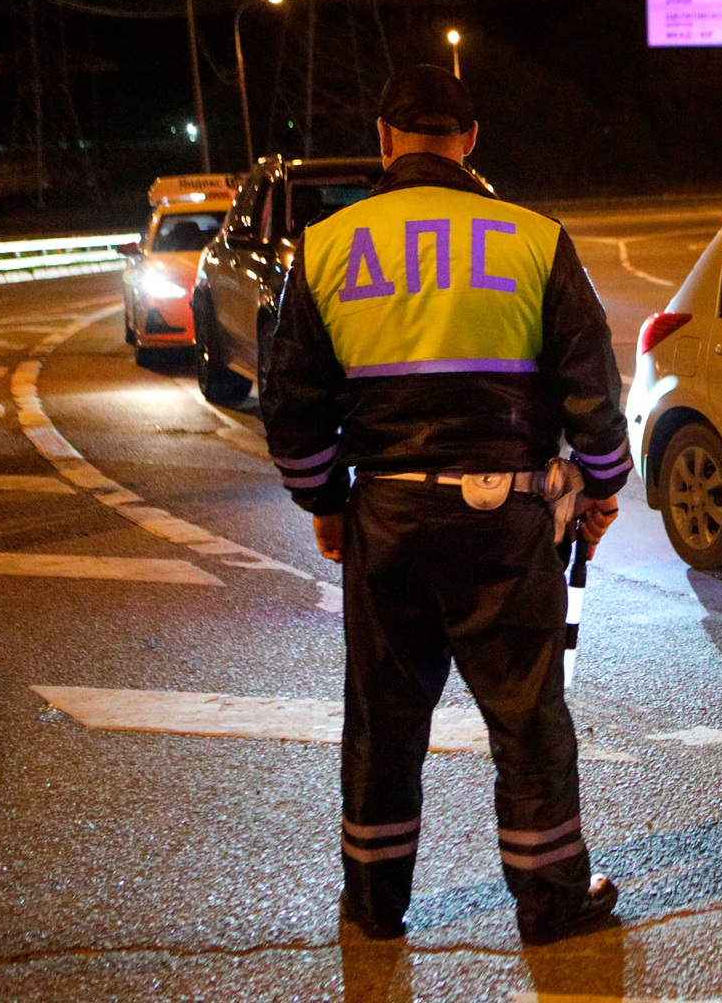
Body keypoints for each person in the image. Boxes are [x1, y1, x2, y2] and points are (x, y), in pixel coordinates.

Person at [260, 64, 629, 947]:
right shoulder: (533, 239)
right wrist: (602, 490)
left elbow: (293, 403)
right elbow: (592, 385)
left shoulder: (327, 246)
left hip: (386, 516)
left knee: (383, 722)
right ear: (470, 140)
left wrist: (325, 499)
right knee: (527, 717)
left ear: (384, 140)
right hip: (508, 519)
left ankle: (375, 906)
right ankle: (549, 905)